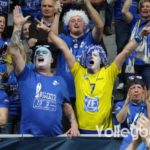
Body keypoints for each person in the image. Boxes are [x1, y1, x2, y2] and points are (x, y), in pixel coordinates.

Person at [48, 19, 150, 133]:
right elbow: (63, 47)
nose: (91, 57)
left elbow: (126, 51)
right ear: (84, 59)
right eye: (88, 55)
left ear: (102, 59)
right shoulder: (78, 71)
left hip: (104, 131)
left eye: (95, 55)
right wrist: (48, 32)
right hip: (82, 130)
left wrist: (139, 36)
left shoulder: (109, 72)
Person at [8, 5, 79, 137]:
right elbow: (13, 52)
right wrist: (17, 26)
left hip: (54, 140)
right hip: (29, 140)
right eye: (38, 53)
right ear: (34, 59)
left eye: (44, 52)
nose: (40, 53)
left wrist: (73, 123)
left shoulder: (60, 80)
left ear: (52, 60)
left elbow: (67, 106)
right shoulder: (26, 75)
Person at [47, 0, 104, 102]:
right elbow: (51, 38)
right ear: (67, 26)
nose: (76, 22)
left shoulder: (91, 38)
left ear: (85, 25)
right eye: (72, 20)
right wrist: (58, 13)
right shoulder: (63, 38)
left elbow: (99, 25)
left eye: (79, 20)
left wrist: (87, 3)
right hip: (64, 92)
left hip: (86, 92)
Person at [122, 0, 150, 90]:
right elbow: (124, 11)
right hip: (131, 63)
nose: (145, 8)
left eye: (148, 6)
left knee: (148, 92)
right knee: (131, 91)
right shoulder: (135, 20)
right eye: (143, 7)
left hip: (147, 64)